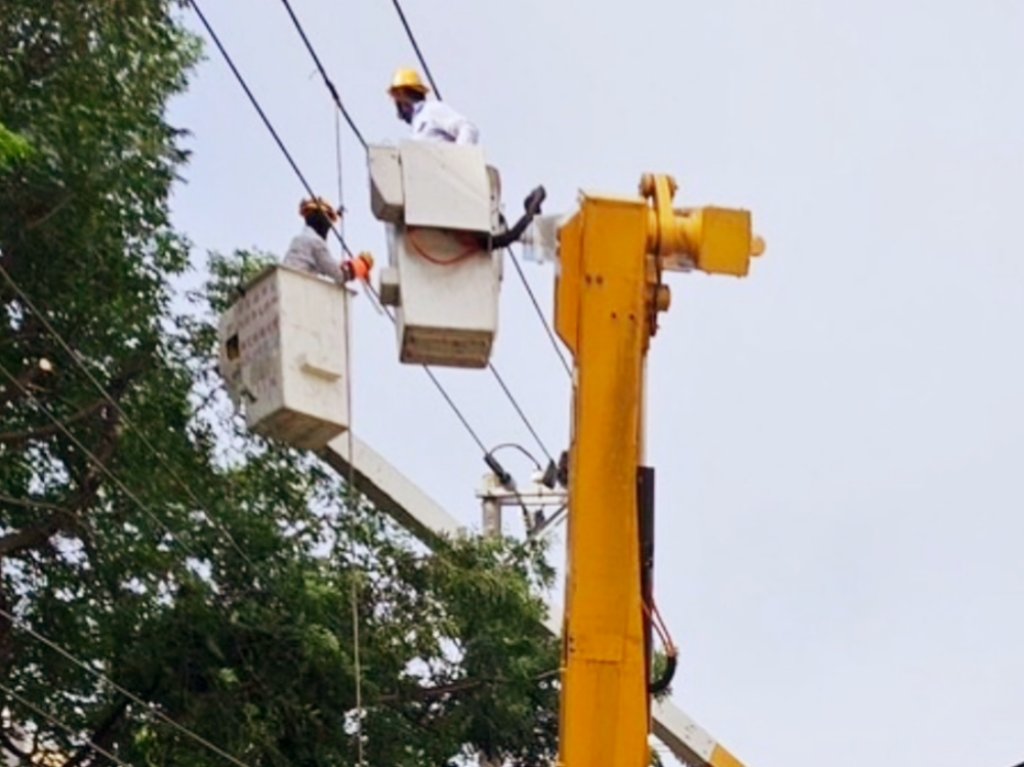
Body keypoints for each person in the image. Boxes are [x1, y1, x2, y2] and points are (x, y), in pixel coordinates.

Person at [282, 197, 372, 285]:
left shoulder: (298, 240)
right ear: (319, 220)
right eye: (327, 224)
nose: (327, 229)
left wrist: (350, 266)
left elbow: (328, 265)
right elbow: (340, 274)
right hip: (299, 289)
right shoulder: (315, 242)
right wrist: (362, 264)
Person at [388, 68, 479, 145]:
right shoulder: (417, 124)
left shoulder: (431, 109)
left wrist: (460, 159)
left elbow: (468, 128)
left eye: (396, 99)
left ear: (402, 95)